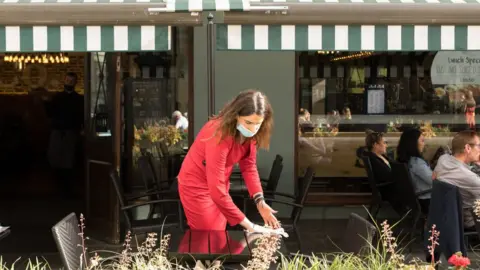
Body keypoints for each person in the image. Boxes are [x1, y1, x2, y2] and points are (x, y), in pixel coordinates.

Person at [177, 90, 286, 235]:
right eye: (248, 122)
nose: (252, 129)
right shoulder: (218, 133)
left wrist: (260, 201)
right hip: (196, 186)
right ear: (236, 115)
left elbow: (249, 167)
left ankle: (216, 259)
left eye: (257, 124)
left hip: (220, 186)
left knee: (218, 236)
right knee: (209, 235)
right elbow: (216, 190)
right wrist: (250, 226)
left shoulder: (251, 135)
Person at [44, 72, 83, 198]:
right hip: (57, 132)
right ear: (64, 81)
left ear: (75, 82)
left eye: (71, 81)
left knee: (69, 161)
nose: (69, 83)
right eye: (68, 80)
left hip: (71, 132)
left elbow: (81, 117)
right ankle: (57, 188)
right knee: (55, 160)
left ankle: (67, 189)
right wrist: (45, 103)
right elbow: (49, 114)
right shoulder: (57, 97)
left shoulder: (79, 99)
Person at [434, 130, 480, 228]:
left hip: (448, 215)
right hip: (470, 219)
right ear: (468, 148)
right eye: (479, 146)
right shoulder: (469, 178)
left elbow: (433, 176)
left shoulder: (443, 159)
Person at [396, 128, 432, 214]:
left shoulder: (405, 160)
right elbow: (433, 181)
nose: (424, 144)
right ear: (413, 143)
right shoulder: (417, 163)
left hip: (416, 198)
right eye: (422, 141)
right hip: (426, 199)